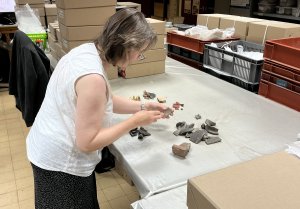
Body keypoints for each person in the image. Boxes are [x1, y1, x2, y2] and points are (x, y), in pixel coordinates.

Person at [26, 8, 170, 209]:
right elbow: (87, 142)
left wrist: (144, 105)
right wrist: (135, 121)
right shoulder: (92, 78)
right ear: (127, 46)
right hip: (60, 164)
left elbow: (104, 101)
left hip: (45, 144)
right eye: (140, 53)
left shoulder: (87, 50)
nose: (138, 58)